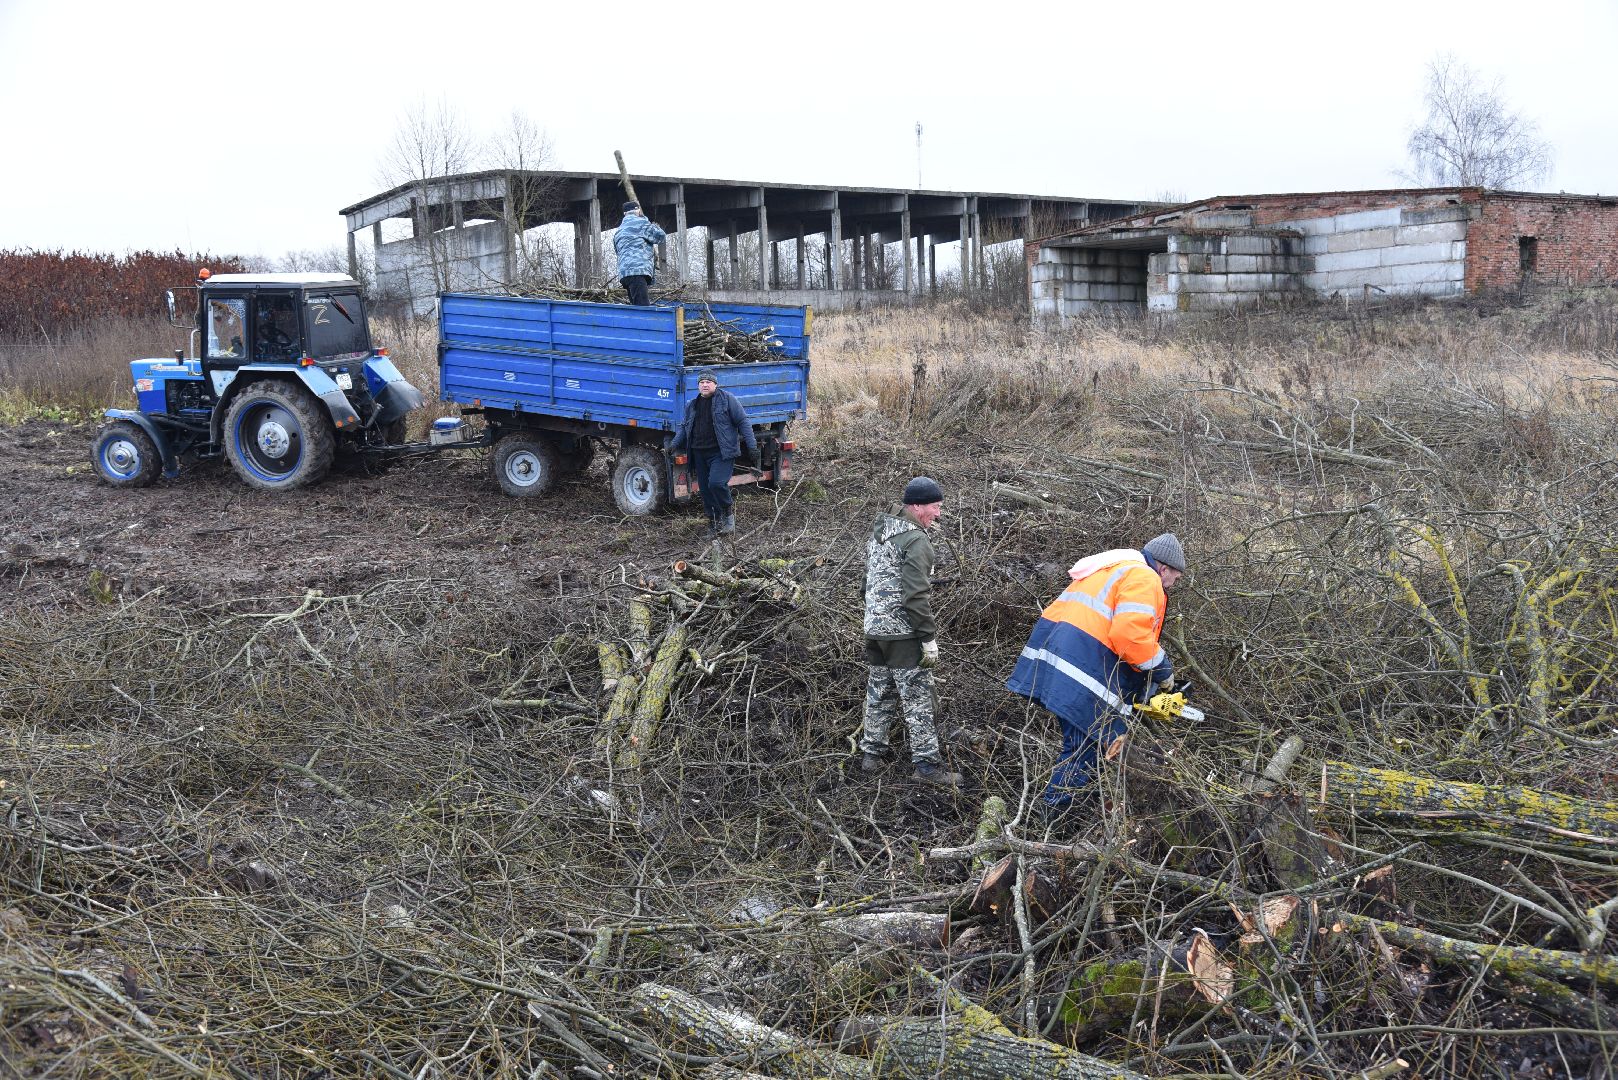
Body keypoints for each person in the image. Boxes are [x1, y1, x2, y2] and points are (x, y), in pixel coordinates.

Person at [1006, 532, 1186, 817]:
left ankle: (1058, 811)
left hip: (1058, 660)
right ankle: (1049, 821)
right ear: (1164, 568)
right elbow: (1130, 635)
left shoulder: (1112, 567)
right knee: (1084, 749)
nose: (1173, 585)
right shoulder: (1145, 578)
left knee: (1085, 744)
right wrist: (1162, 668)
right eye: (1175, 578)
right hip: (1080, 670)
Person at [859, 477, 964, 791]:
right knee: (917, 700)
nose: (938, 514)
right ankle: (927, 765)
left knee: (878, 694)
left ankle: (871, 756)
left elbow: (867, 583)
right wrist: (927, 636)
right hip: (903, 634)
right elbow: (915, 596)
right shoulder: (916, 540)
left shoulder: (880, 533)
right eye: (935, 507)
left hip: (874, 630)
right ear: (917, 506)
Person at [669, 369, 756, 536]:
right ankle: (714, 523)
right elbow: (684, 427)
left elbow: (743, 421)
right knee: (705, 489)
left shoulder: (727, 400)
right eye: (701, 382)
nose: (705, 385)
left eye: (708, 382)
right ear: (698, 386)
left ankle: (728, 517)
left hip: (721, 452)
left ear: (715, 384)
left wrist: (752, 447)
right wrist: (673, 445)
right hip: (699, 453)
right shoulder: (692, 405)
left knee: (716, 483)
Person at [613, 201, 667, 306]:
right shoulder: (642, 223)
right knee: (643, 309)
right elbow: (661, 237)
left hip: (624, 275)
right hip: (638, 272)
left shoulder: (618, 231)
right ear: (637, 210)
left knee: (635, 308)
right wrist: (653, 225)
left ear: (624, 213)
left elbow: (617, 252)